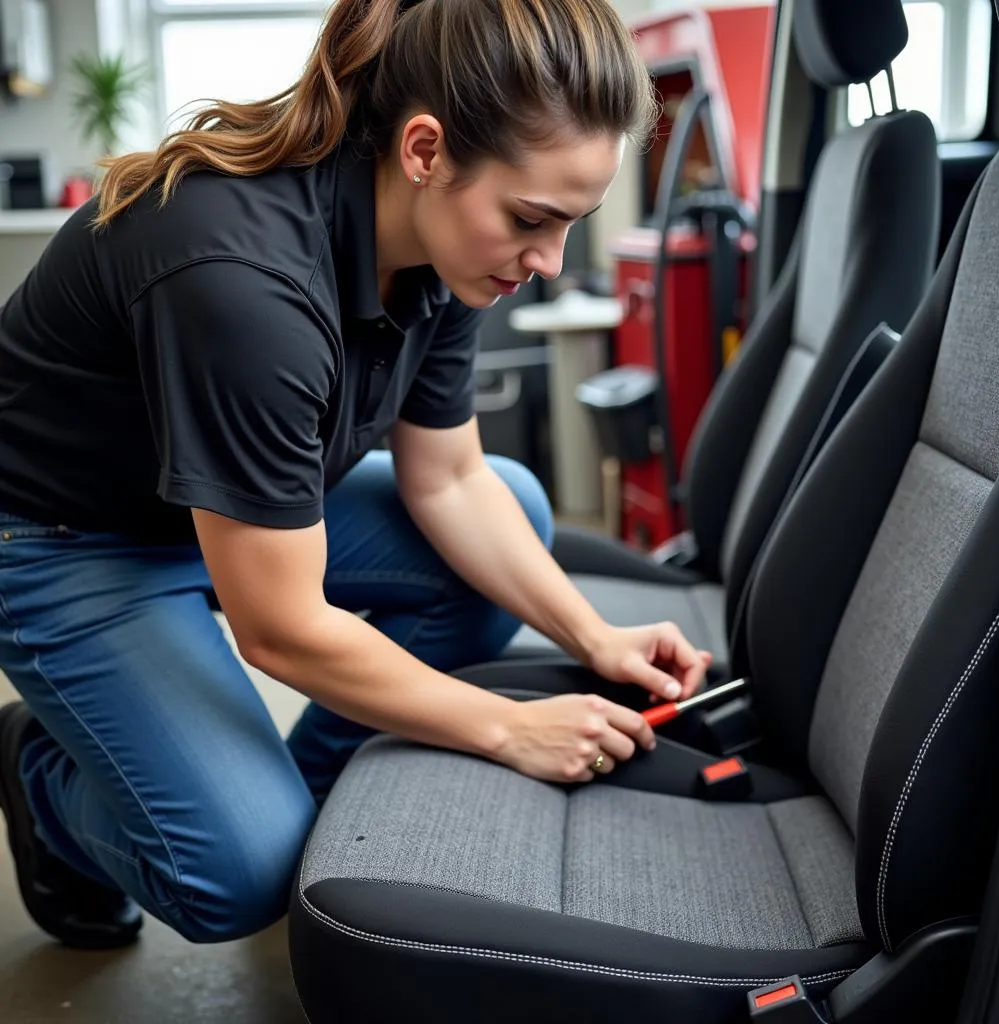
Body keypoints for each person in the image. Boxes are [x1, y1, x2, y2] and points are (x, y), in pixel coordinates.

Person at [0, 0, 712, 950]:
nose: (549, 262)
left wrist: (595, 636)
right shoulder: (241, 280)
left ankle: (303, 799)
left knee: (517, 503)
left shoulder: (446, 245)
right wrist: (507, 727)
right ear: (425, 150)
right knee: (240, 874)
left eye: (570, 224)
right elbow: (282, 629)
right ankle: (44, 781)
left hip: (226, 515)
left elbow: (450, 480)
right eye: (533, 220)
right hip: (63, 539)